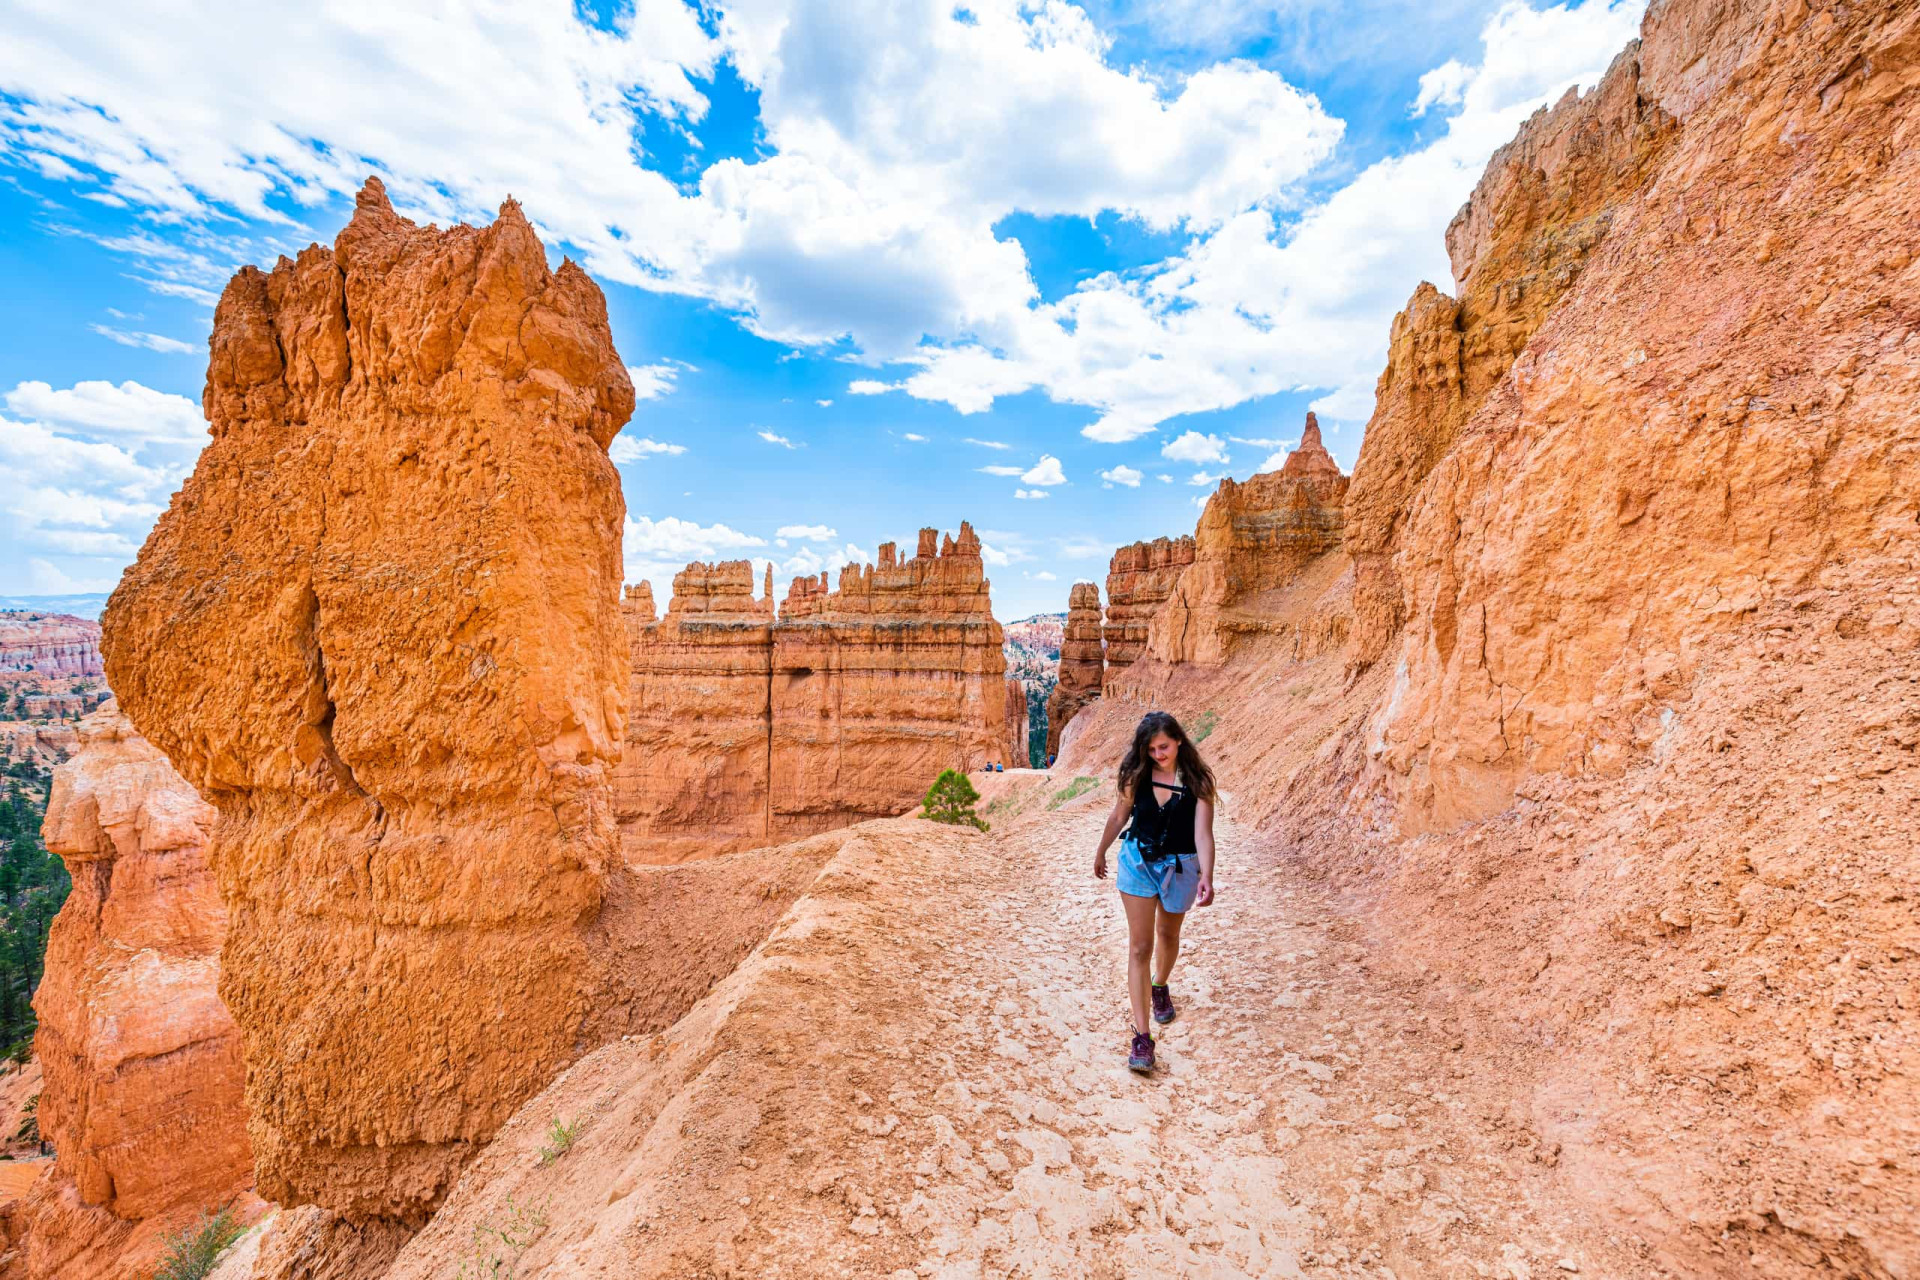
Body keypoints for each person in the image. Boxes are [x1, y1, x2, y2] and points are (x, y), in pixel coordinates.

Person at [1092, 711, 1216, 1073]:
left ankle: (1159, 984)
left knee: (1168, 934)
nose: (1158, 754)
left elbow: (1203, 833)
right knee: (1140, 947)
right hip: (1138, 862)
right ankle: (1143, 1037)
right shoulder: (1137, 775)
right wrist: (1101, 851)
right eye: (1151, 749)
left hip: (1180, 866)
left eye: (1163, 747)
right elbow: (1119, 817)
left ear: (1178, 741)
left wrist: (1207, 875)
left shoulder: (1197, 780)